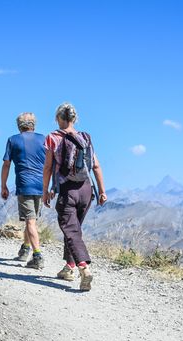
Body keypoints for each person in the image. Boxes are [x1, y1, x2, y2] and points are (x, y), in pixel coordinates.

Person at [42, 103, 106, 291]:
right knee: (74, 229)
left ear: (57, 118)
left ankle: (83, 268)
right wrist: (102, 191)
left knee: (71, 231)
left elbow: (47, 167)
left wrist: (46, 190)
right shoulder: (84, 137)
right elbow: (96, 166)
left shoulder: (53, 137)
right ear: (74, 119)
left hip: (67, 189)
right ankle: (69, 267)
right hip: (86, 189)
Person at [1, 112, 46, 269]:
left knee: (30, 221)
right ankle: (25, 250)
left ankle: (37, 256)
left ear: (19, 125)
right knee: (31, 220)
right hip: (42, 185)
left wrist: (3, 185)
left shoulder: (13, 140)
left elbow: (6, 164)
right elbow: (51, 164)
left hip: (24, 184)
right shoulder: (44, 139)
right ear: (34, 124)